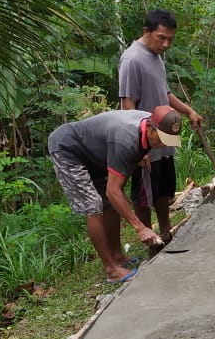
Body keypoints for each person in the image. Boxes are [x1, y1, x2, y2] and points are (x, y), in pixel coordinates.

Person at [48, 106, 182, 284]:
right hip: (68, 149)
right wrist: (140, 227)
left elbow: (116, 186)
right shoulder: (125, 139)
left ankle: (117, 256)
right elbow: (113, 191)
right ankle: (111, 270)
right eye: (162, 139)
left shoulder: (148, 124)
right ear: (150, 127)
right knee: (94, 204)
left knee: (110, 202)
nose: (164, 144)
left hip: (96, 154)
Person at [118, 9, 203, 247]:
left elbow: (165, 94)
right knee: (144, 192)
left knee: (165, 186)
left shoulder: (156, 56)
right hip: (145, 138)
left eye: (170, 40)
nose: (166, 44)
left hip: (164, 135)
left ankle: (165, 231)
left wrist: (189, 111)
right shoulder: (132, 59)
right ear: (147, 32)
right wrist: (138, 146)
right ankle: (150, 241)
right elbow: (128, 104)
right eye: (161, 38)